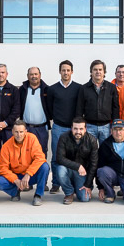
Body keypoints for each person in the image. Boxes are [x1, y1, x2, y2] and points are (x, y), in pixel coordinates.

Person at [46, 60, 83, 193]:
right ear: (60, 71)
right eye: (63, 70)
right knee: (56, 156)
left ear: (72, 71)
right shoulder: (52, 89)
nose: (66, 72)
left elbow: (80, 107)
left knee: (74, 156)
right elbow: (49, 107)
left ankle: (72, 183)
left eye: (68, 70)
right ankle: (56, 183)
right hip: (58, 127)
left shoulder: (79, 88)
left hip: (74, 129)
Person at [0, 120, 50, 205]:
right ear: (12, 132)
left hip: (30, 176)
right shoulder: (6, 146)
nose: (19, 135)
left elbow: (40, 158)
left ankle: (38, 195)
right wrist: (15, 180)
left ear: (25, 132)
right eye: (16, 132)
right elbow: (2, 167)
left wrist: (28, 174)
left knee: (45, 167)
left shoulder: (32, 139)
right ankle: (15, 192)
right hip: (16, 176)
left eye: (21, 132)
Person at [54, 117, 98, 204]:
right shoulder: (64, 137)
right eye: (75, 129)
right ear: (71, 128)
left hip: (83, 174)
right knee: (60, 170)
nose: (78, 132)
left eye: (81, 129)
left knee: (84, 198)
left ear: (85, 129)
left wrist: (88, 184)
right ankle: (69, 193)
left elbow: (94, 164)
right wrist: (78, 166)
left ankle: (78, 188)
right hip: (68, 170)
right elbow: (59, 158)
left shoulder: (92, 140)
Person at [79, 59, 120, 145]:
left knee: (105, 152)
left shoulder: (111, 88)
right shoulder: (84, 88)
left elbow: (115, 108)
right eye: (95, 69)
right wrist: (80, 126)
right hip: (89, 126)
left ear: (104, 72)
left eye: (100, 69)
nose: (98, 72)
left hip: (106, 127)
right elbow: (79, 108)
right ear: (91, 72)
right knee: (89, 152)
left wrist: (115, 126)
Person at [18, 66, 51, 154]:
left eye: (36, 74)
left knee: (41, 152)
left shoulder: (47, 90)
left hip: (42, 129)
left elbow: (51, 106)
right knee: (25, 153)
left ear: (40, 75)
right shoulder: (22, 89)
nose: (34, 76)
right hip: (26, 128)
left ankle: (42, 168)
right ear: (27, 76)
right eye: (31, 74)